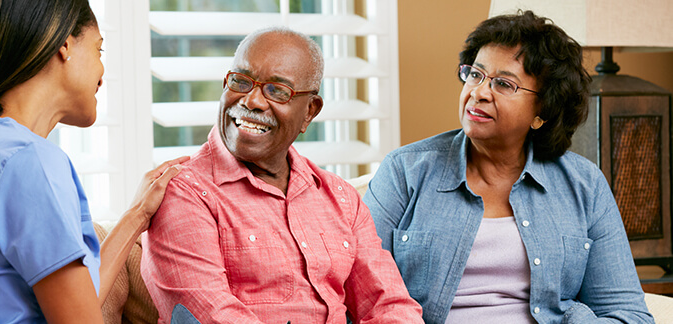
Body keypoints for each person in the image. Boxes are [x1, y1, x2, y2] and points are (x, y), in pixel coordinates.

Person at [363, 10, 653, 324]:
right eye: (475, 74)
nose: (478, 93)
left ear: (541, 112)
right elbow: (358, 293)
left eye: (503, 84)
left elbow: (628, 314)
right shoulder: (404, 172)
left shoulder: (585, 185)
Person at [141, 26, 424, 324]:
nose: (252, 101)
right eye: (240, 81)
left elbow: (389, 304)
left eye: (277, 90)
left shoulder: (340, 198)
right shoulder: (184, 191)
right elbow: (210, 315)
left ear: (309, 112)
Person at [0, 0, 186, 322]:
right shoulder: (27, 160)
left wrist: (138, 215)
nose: (102, 74)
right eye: (99, 50)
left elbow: (76, 302)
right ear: (65, 44)